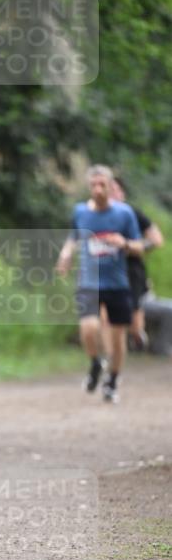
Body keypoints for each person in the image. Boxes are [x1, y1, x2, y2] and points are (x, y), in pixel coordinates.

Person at [56, 164, 143, 403]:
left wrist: (123, 243)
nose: (97, 189)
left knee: (117, 339)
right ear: (88, 186)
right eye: (93, 185)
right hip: (89, 281)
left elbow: (139, 247)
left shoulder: (124, 214)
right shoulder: (81, 212)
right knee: (89, 329)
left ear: (110, 186)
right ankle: (95, 362)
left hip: (117, 283)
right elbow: (73, 237)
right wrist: (65, 255)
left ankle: (113, 379)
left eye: (102, 185)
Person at [102, 176, 164, 352]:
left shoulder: (133, 214)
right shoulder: (95, 214)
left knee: (133, 321)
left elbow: (156, 240)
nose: (111, 194)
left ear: (122, 193)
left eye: (114, 190)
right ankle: (108, 359)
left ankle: (137, 337)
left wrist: (131, 247)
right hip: (106, 271)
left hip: (131, 271)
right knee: (105, 316)